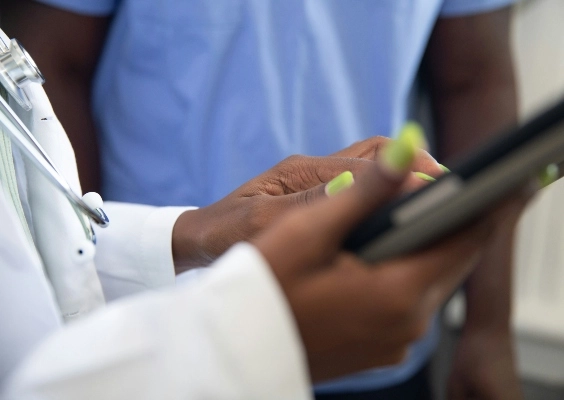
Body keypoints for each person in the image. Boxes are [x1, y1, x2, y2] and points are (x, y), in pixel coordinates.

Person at [2, 1, 523, 398]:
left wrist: (489, 328)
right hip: (161, 334)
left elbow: (475, 76)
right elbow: (55, 61)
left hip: (378, 322)